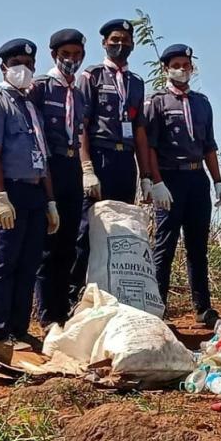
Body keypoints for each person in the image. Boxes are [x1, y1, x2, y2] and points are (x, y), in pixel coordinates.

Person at [0, 38, 60, 360]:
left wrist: (50, 200)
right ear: (3, 67)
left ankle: (19, 328)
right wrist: (0, 196)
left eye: (28, 64)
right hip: (9, 191)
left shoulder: (30, 107)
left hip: (35, 192)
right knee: (3, 262)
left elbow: (42, 156)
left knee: (28, 263)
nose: (22, 70)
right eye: (16, 64)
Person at [145, 43, 221, 328]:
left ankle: (203, 308)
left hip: (197, 179)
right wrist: (156, 182)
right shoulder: (156, 102)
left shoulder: (202, 102)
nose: (182, 70)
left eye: (187, 65)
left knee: (197, 247)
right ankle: (158, 305)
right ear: (167, 68)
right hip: (170, 179)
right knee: (164, 246)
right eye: (176, 65)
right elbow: (150, 146)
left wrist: (218, 181)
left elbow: (210, 146)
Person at [71, 19, 151, 304]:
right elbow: (81, 124)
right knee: (86, 230)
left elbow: (139, 129)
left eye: (126, 41)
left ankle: (115, 295)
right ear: (104, 42)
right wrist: (87, 168)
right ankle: (76, 298)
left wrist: (146, 176)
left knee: (121, 230)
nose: (121, 45)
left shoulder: (136, 82)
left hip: (124, 160)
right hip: (99, 157)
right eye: (115, 40)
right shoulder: (91, 76)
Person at [31, 28, 89, 330]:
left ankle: (61, 309)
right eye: (66, 55)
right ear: (55, 55)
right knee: (47, 243)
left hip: (71, 167)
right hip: (49, 167)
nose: (71, 60)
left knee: (68, 242)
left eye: (77, 55)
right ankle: (45, 315)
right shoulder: (41, 87)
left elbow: (79, 131)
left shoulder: (78, 94)